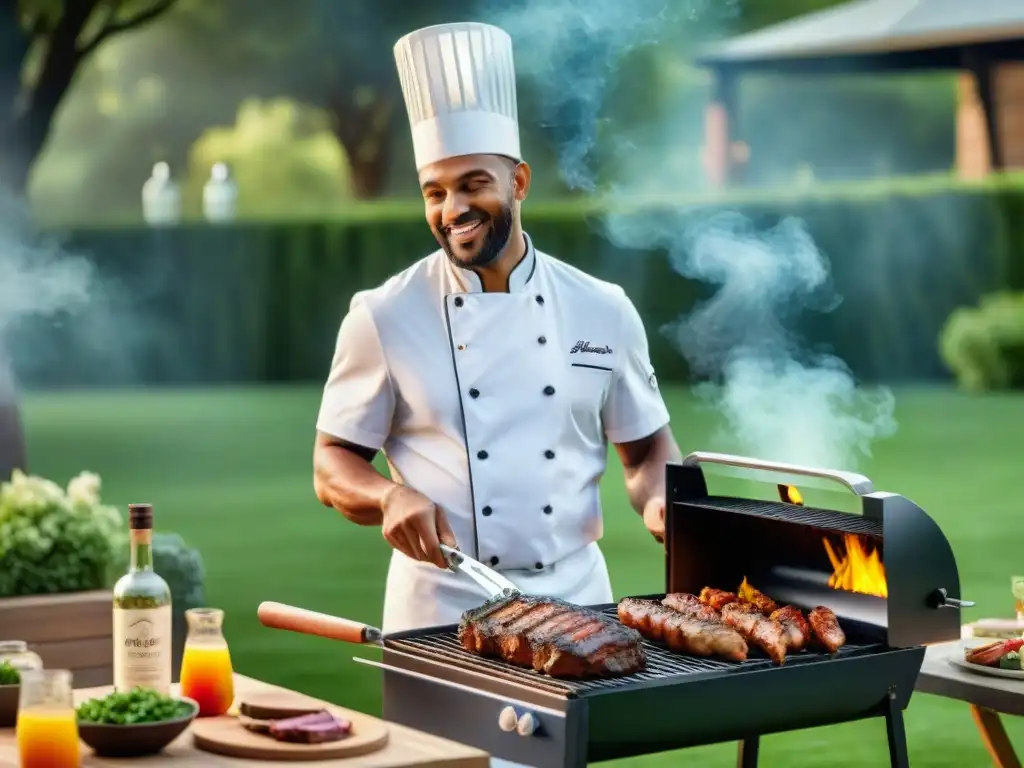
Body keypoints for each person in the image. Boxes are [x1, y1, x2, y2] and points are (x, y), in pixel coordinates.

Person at [313, 21, 681, 637]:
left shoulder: (602, 309)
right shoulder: (383, 315)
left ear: (519, 182)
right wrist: (387, 497)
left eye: (473, 184)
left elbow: (646, 450)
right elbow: (331, 464)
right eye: (434, 192)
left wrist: (660, 500)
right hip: (441, 607)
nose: (452, 209)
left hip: (579, 604)